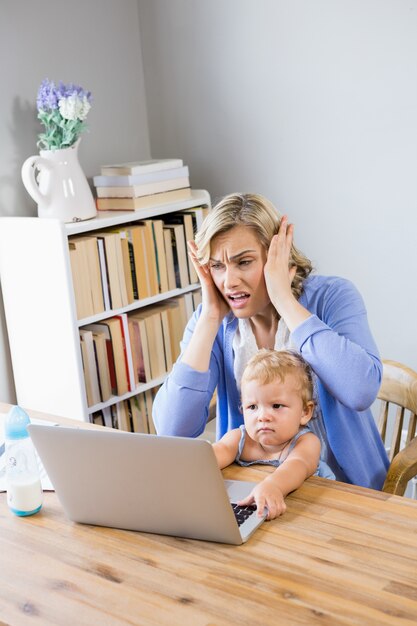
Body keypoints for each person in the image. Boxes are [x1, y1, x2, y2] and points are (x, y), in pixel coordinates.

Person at [153, 193, 389, 489]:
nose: (229, 281)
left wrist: (283, 298)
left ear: (276, 254)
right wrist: (210, 317)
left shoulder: (333, 297)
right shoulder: (214, 319)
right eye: (217, 266)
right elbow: (172, 430)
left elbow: (360, 390)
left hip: (342, 489)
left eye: (244, 262)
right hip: (252, 488)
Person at [212, 349, 334, 520]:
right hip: (258, 508)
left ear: (305, 412)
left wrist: (274, 485)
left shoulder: (307, 442)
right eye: (252, 407)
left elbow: (297, 465)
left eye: (276, 406)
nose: (262, 417)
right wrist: (191, 466)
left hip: (310, 513)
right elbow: (215, 454)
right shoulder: (240, 438)